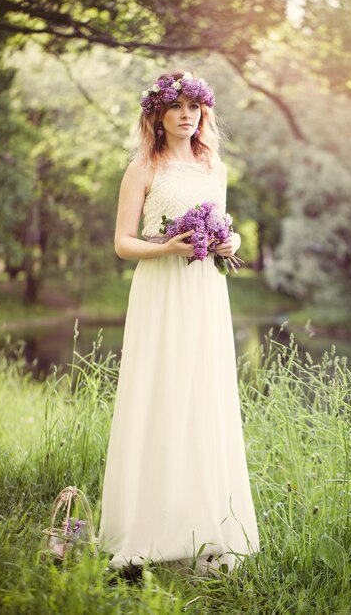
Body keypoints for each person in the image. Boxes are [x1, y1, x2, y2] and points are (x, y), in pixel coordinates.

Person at [99, 70, 260, 576]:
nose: (187, 115)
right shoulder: (143, 167)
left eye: (195, 107)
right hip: (160, 290)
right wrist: (166, 248)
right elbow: (123, 242)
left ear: (203, 114)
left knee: (202, 397)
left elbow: (224, 231)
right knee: (161, 394)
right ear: (159, 115)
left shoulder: (215, 166)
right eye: (178, 107)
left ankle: (206, 528)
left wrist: (230, 244)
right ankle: (149, 531)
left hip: (204, 292)